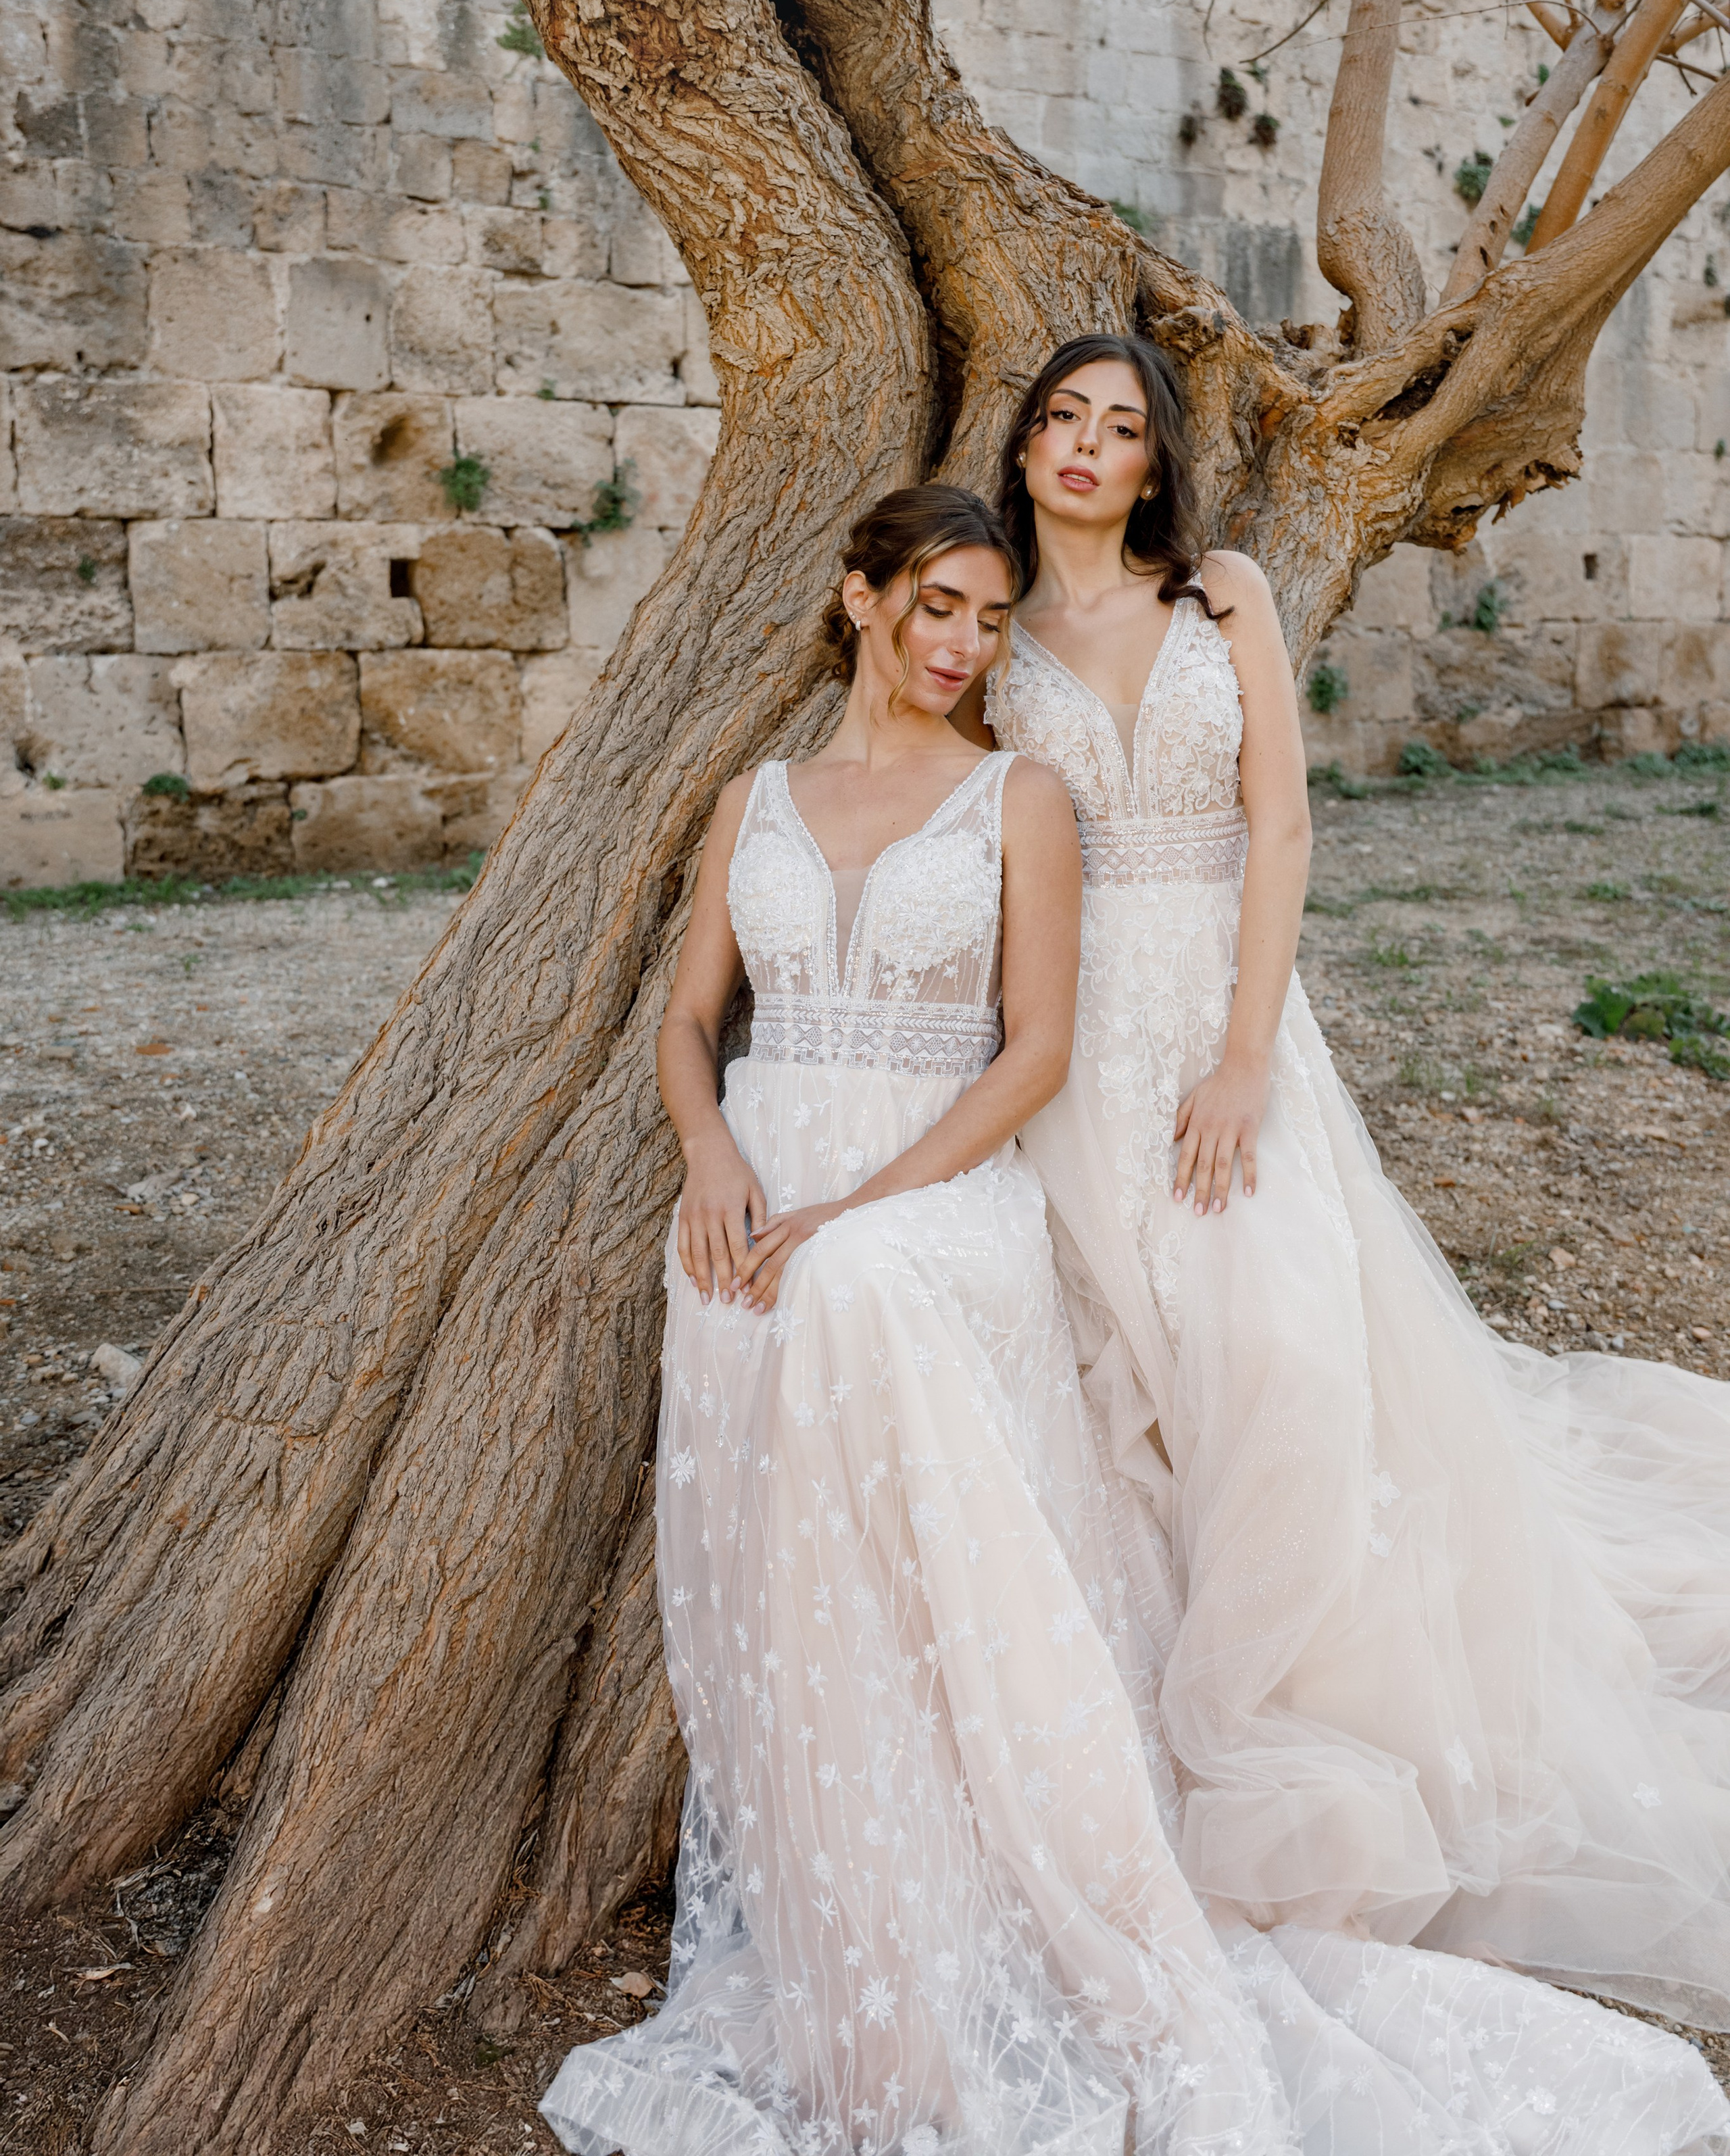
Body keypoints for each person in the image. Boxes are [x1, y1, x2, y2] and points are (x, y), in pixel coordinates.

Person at [541, 483, 1727, 2156]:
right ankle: (842, 1914)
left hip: (919, 1199)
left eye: (979, 615)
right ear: (857, 598)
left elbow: (1032, 1056)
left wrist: (854, 1211)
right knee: (780, 1565)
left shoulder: (1015, 794)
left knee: (873, 1317)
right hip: (749, 1212)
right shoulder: (756, 801)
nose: (958, 644)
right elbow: (685, 1020)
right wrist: (714, 1154)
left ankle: (1004, 1887)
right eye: (932, 607)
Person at [966, 330, 1730, 2032]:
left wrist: (1242, 1058)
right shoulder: (987, 639)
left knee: (1293, 1356)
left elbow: (1282, 829)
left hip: (1225, 1034)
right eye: (1059, 424)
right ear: (1019, 454)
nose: (1086, 449)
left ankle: (1331, 1695)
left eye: (1116, 428)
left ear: (1154, 465)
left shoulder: (1219, 595)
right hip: (1071, 1050)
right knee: (1135, 1382)